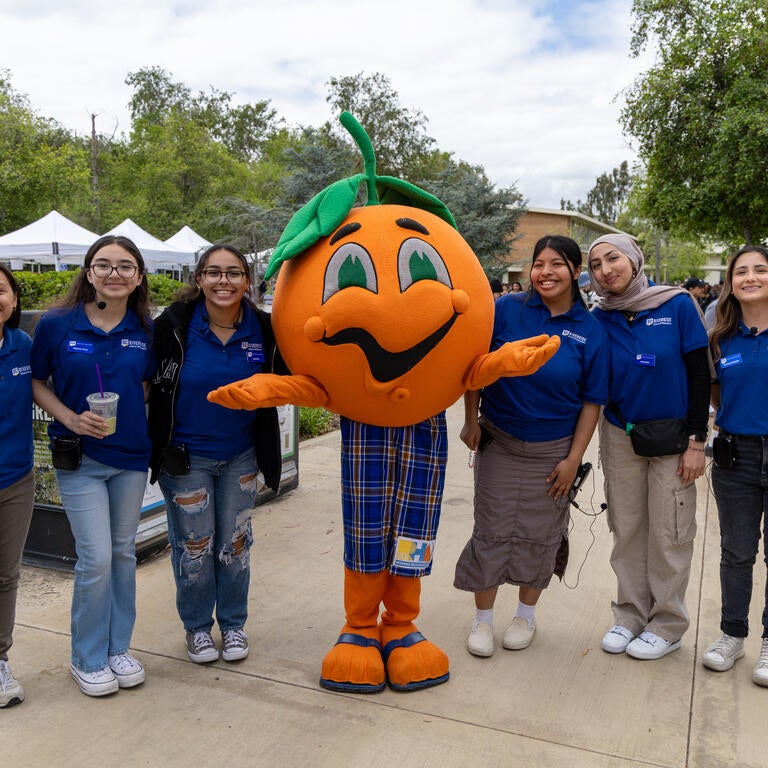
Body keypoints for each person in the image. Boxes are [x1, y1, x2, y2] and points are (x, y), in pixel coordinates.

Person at [455, 235, 609, 657]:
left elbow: (593, 401)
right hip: (499, 441)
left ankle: (525, 616)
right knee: (491, 530)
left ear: (575, 271)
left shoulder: (589, 329)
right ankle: (482, 621)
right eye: (538, 264)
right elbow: (474, 367)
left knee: (541, 536)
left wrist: (573, 460)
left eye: (556, 263)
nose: (545, 272)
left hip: (553, 451)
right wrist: (472, 419)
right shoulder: (506, 310)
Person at [30, 235, 155, 696]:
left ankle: (118, 647)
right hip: (79, 457)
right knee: (96, 557)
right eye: (103, 265)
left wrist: (129, 405)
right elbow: (37, 382)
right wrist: (70, 417)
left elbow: (146, 385)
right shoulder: (57, 324)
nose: (113, 273)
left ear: (138, 276)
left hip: (130, 457)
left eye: (125, 266)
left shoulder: (145, 328)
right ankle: (87, 656)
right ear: (87, 272)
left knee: (123, 554)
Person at [148, 244, 282, 665]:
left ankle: (234, 624)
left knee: (236, 544)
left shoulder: (264, 328)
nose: (223, 281)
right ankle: (198, 629)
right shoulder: (173, 325)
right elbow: (146, 383)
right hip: (186, 460)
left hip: (241, 455)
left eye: (233, 273)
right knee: (195, 545)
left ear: (247, 281)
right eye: (213, 272)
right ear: (199, 279)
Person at [587, 234, 710, 660]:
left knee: (669, 530)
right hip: (620, 434)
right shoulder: (600, 317)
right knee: (628, 528)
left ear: (634, 259)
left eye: (613, 258)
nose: (606, 269)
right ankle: (630, 615)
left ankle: (667, 623)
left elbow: (699, 374)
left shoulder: (676, 305)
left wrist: (698, 441)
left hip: (674, 437)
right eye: (597, 263)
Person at [702, 245, 768, 686]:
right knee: (736, 552)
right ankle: (733, 634)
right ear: (730, 282)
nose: (750, 277)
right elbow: (715, 395)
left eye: (760, 270)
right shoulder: (720, 337)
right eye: (741, 271)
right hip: (736, 457)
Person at [0, 265, 34, 707]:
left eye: (0, 290)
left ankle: (0, 660)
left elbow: (42, 389)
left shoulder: (23, 345)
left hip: (15, 480)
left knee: (6, 575)